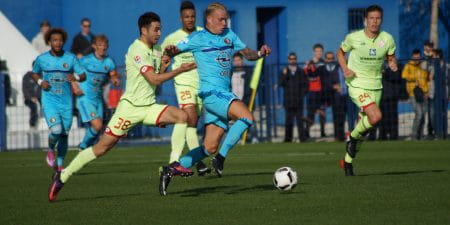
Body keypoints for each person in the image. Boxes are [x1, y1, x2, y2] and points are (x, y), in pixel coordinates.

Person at [47, 12, 196, 202]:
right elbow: (153, 78)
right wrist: (180, 69)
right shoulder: (136, 50)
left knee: (182, 116)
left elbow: (156, 79)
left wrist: (165, 63)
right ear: (144, 30)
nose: (159, 33)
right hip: (129, 109)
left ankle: (172, 166)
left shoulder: (158, 49)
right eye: (155, 29)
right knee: (101, 148)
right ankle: (63, 175)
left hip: (149, 106)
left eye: (160, 29)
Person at [161, 2, 271, 195]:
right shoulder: (198, 38)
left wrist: (260, 53)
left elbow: (248, 54)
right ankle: (221, 158)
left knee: (209, 146)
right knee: (247, 117)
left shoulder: (230, 35)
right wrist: (170, 52)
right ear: (209, 20)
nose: (224, 22)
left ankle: (171, 169)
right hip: (211, 93)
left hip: (222, 94)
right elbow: (175, 50)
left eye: (225, 18)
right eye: (220, 19)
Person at [336, 5, 398, 176]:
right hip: (356, 84)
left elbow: (391, 57)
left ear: (381, 20)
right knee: (376, 116)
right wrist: (344, 68)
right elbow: (340, 53)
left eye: (378, 18)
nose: (374, 21)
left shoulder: (387, 39)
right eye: (371, 18)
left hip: (376, 85)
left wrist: (392, 63)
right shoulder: (353, 37)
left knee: (367, 127)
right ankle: (352, 137)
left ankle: (347, 163)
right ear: (365, 19)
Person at [161, 1, 210, 175]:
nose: (189, 19)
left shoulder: (203, 34)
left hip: (201, 84)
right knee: (188, 118)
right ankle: (180, 162)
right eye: (186, 17)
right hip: (182, 82)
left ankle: (190, 161)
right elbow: (163, 58)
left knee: (193, 123)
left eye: (192, 16)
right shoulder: (172, 38)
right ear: (181, 18)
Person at [32, 28, 87, 172]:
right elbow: (34, 73)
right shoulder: (42, 59)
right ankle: (50, 149)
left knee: (64, 134)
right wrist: (40, 82)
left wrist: (74, 77)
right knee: (56, 130)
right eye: (55, 40)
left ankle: (60, 166)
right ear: (49, 42)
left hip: (66, 102)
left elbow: (83, 75)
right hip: (50, 101)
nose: (58, 43)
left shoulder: (70, 58)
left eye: (60, 40)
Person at [76, 34, 120, 150]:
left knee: (98, 128)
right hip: (85, 98)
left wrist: (115, 80)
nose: (103, 47)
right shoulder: (85, 60)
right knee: (97, 125)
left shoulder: (109, 62)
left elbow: (113, 75)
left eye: (105, 45)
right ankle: (83, 146)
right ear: (94, 46)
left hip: (97, 98)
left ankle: (85, 147)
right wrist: (75, 87)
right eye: (100, 45)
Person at [279, 52, 308, 142]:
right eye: (291, 59)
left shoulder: (301, 71)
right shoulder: (284, 71)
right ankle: (288, 139)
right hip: (288, 100)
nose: (292, 61)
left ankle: (302, 139)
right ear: (288, 60)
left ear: (296, 59)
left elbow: (305, 85)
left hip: (298, 100)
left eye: (294, 59)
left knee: (300, 121)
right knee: (288, 121)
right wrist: (284, 74)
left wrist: (301, 95)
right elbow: (281, 83)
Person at [402, 49, 430, 140]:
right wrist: (415, 78)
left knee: (423, 114)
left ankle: (420, 135)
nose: (417, 59)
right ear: (412, 57)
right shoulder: (408, 65)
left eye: (418, 57)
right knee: (419, 113)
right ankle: (414, 135)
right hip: (413, 93)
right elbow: (404, 76)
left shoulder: (423, 65)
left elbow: (427, 78)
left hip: (423, 93)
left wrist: (426, 91)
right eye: (415, 58)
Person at [232, 52, 259, 143]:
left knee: (250, 119)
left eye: (238, 60)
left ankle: (254, 137)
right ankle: (238, 138)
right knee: (237, 122)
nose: (237, 62)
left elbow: (252, 86)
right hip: (235, 101)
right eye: (235, 61)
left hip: (246, 100)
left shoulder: (248, 71)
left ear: (242, 61)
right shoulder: (230, 72)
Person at [305, 43, 327, 138]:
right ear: (314, 52)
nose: (319, 53)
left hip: (322, 92)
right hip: (312, 92)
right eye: (317, 51)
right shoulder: (309, 63)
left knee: (322, 112)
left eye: (320, 51)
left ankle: (323, 132)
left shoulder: (324, 63)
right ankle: (307, 133)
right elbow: (306, 76)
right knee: (311, 113)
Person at [378, 61, 402, 140]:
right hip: (381, 95)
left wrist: (384, 73)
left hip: (392, 95)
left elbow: (396, 76)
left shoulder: (396, 65)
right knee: (382, 117)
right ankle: (382, 136)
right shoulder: (378, 64)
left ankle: (393, 136)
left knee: (392, 117)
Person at [325, 52, 346, 141]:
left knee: (351, 117)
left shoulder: (351, 68)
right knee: (338, 117)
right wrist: (334, 86)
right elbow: (329, 82)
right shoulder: (335, 69)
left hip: (349, 96)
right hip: (338, 97)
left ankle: (353, 135)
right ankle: (339, 136)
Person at [22, 62, 41, 129]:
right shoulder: (27, 76)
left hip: (39, 97)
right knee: (34, 107)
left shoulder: (42, 76)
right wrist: (31, 98)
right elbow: (25, 89)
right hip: (29, 98)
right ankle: (32, 125)